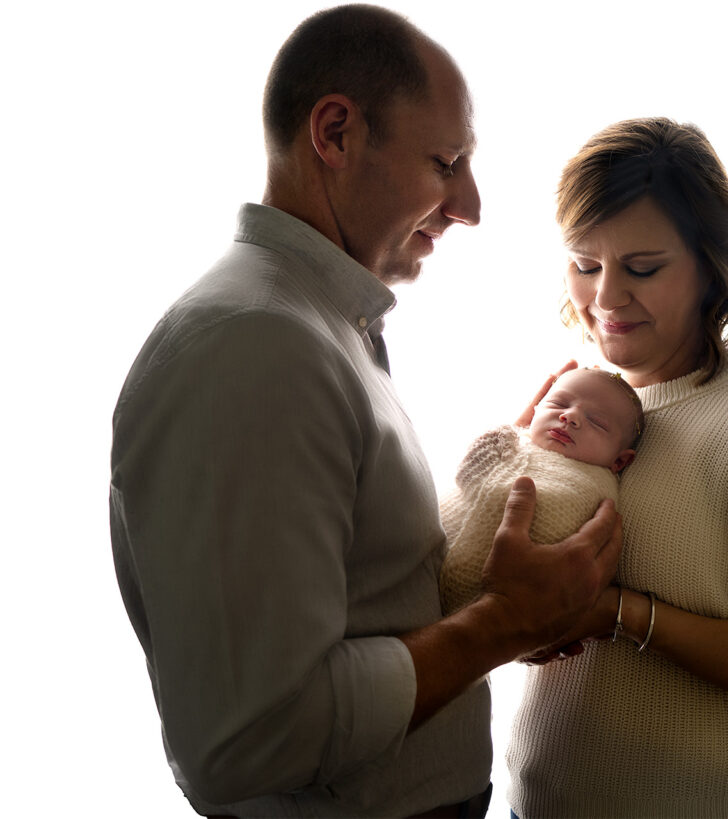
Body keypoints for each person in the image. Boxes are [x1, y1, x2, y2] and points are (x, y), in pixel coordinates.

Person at [107, 6, 622, 818]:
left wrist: (518, 488)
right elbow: (249, 737)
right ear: (337, 134)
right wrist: (503, 625)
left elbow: (371, 591)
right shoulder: (255, 346)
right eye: (446, 161)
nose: (471, 205)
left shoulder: (317, 326)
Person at [506, 118, 728, 819]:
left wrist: (621, 614)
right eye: (585, 264)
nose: (606, 298)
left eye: (642, 268)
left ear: (712, 266)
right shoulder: (587, 409)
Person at [440, 367, 644, 615]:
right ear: (536, 408)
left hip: (487, 596)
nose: (570, 417)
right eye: (557, 404)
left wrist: (499, 441)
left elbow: (484, 482)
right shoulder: (522, 441)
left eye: (597, 422)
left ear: (619, 462)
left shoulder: (595, 486)